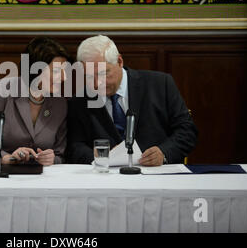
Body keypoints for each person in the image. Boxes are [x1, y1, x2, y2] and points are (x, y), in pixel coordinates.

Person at [65, 35, 198, 166]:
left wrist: (164, 153)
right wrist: (96, 156)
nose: (96, 83)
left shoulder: (160, 85)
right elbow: (74, 146)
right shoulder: (79, 101)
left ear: (120, 61)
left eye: (103, 73)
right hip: (106, 179)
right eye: (89, 76)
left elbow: (187, 131)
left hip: (156, 175)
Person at [0, 37, 71, 165]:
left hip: (39, 178)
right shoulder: (4, 90)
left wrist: (52, 159)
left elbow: (60, 154)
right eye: (56, 71)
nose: (64, 77)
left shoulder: (59, 103)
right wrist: (5, 158)